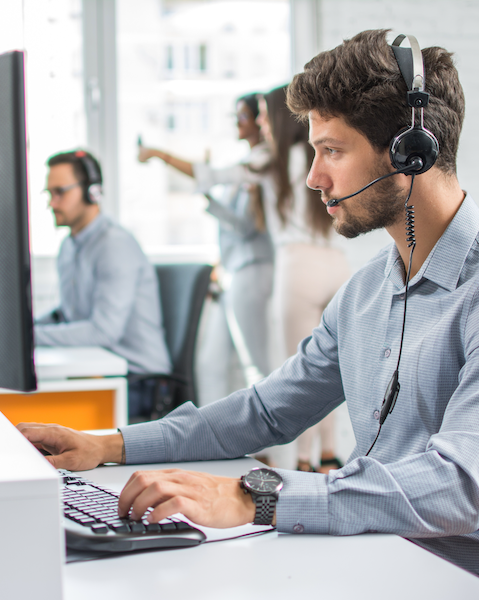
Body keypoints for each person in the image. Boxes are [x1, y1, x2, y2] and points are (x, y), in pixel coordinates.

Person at [18, 31, 479, 587]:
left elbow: (458, 489)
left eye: (332, 150)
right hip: (357, 553)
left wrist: (254, 496)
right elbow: (265, 413)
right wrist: (107, 445)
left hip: (434, 579)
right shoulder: (366, 292)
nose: (313, 178)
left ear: (410, 151)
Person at [138, 94, 273, 399]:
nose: (236, 123)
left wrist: (207, 197)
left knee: (256, 364)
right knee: (209, 363)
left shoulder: (261, 165)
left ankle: (273, 447)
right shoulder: (246, 167)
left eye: (243, 116)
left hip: (252, 268)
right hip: (232, 272)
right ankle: (213, 442)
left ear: (260, 121)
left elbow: (246, 226)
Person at [34, 149, 171, 418]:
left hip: (140, 382)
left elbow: (103, 332)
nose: (52, 203)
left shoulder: (114, 245)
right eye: (49, 194)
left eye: (60, 192)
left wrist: (30, 338)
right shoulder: (69, 247)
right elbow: (67, 314)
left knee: (47, 422)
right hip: (98, 371)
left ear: (92, 192)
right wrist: (24, 329)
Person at [258, 84, 351, 473]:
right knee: (330, 371)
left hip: (298, 266)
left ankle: (300, 463)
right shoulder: (323, 157)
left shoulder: (269, 160)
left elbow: (209, 173)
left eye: (264, 114)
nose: (261, 122)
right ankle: (329, 454)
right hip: (337, 263)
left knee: (297, 372)